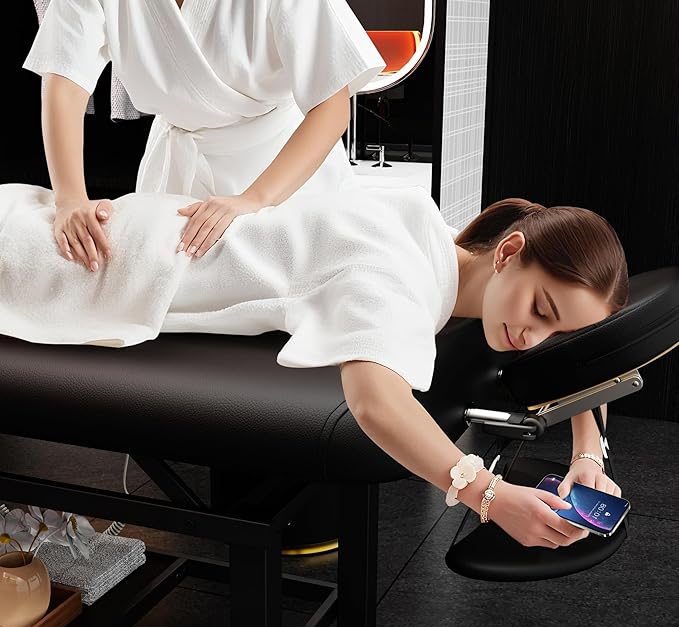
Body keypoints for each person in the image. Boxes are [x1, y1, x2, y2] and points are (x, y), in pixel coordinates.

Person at [0, 182, 629, 551]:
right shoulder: (395, 278)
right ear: (510, 252)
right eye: (539, 310)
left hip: (153, 225)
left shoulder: (427, 225)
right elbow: (376, 403)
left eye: (555, 331)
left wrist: (588, 453)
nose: (533, 337)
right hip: (100, 265)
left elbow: (573, 351)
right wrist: (491, 498)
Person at [22, 0, 386, 272]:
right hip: (175, 186)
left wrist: (254, 199)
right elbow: (65, 79)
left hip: (285, 180)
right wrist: (69, 199)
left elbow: (331, 106)